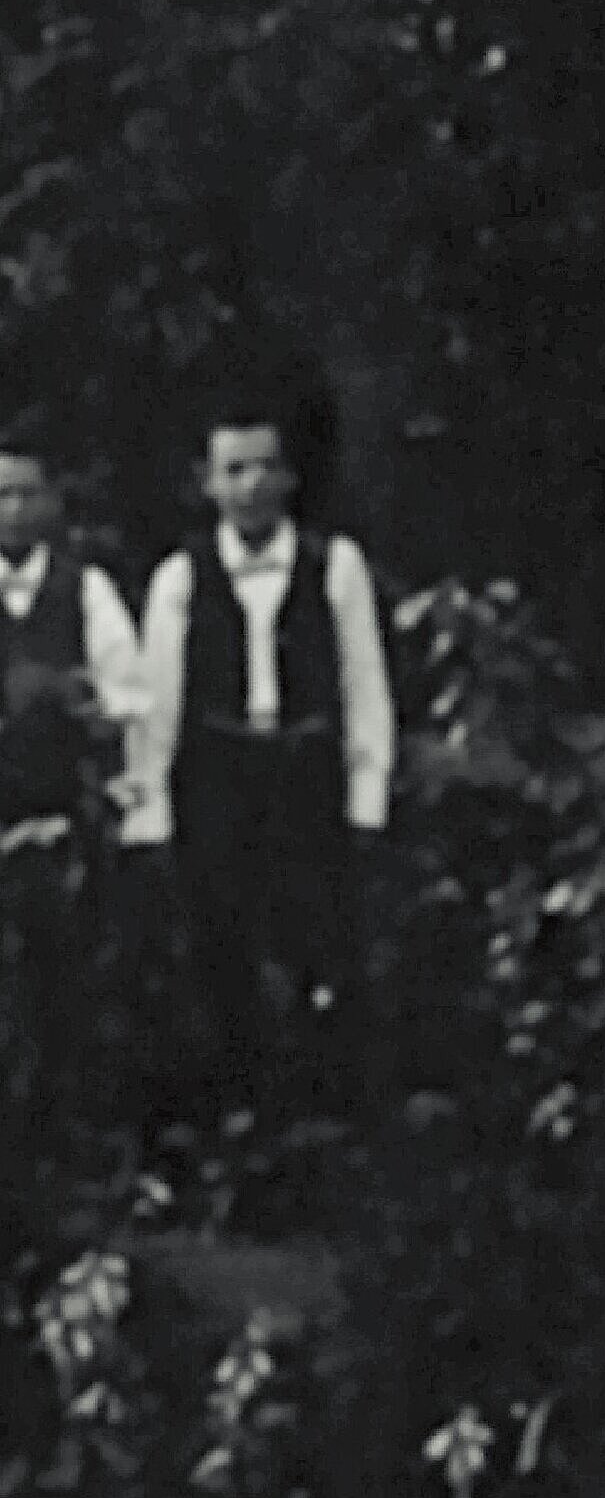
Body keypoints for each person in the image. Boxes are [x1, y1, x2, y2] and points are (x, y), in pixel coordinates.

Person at [134, 410, 390, 1114]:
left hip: (305, 773)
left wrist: (366, 797)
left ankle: (317, 1109)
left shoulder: (334, 565)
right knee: (221, 941)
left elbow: (364, 685)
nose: (250, 485)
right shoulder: (181, 577)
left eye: (264, 468)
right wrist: (151, 811)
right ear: (208, 484)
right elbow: (157, 706)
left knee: (315, 937)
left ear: (289, 478)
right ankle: (235, 1109)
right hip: (218, 778)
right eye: (233, 470)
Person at [0, 439, 138, 1146]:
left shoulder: (85, 590)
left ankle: (68, 1135)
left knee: (67, 977)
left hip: (62, 811)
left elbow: (127, 690)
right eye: (0, 495)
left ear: (53, 502)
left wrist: (85, 704)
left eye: (26, 493)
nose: (13, 509)